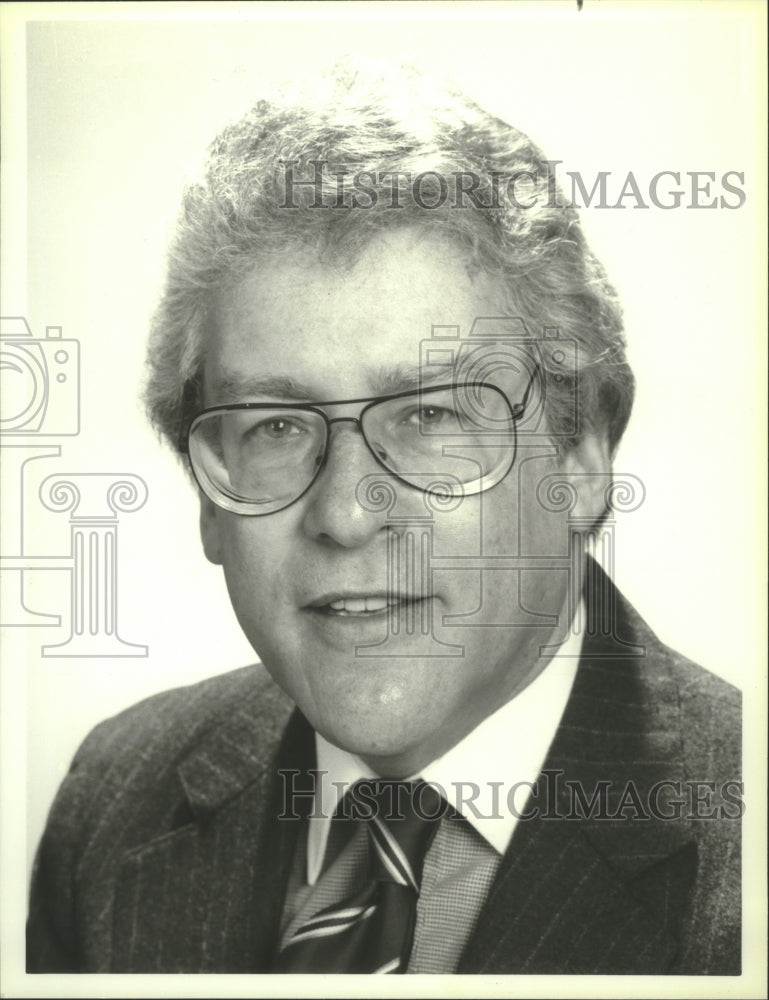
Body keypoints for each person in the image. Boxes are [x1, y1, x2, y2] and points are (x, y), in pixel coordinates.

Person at [26, 62, 741, 976]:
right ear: (207, 497)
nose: (345, 515)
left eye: (431, 416)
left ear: (582, 456)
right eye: (277, 428)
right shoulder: (113, 800)